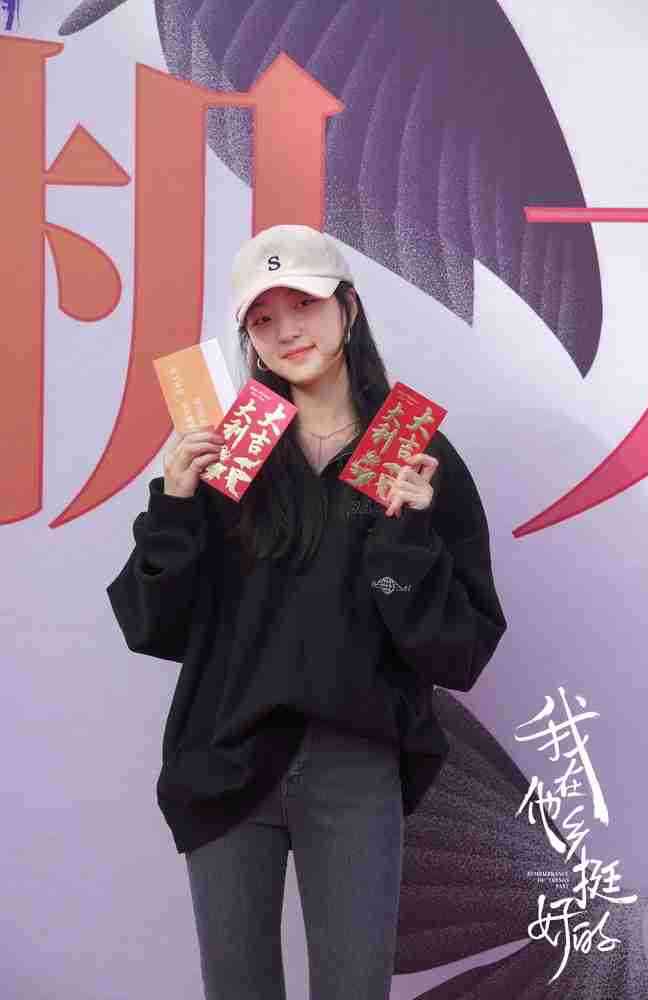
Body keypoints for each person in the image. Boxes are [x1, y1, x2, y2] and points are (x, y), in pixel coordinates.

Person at [106, 224, 508, 999]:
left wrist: (404, 540)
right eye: (263, 318)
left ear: (347, 309)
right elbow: (153, 625)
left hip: (355, 763)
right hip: (226, 758)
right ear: (248, 339)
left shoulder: (410, 449)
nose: (287, 330)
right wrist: (176, 504)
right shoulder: (234, 446)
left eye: (305, 305)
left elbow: (457, 651)